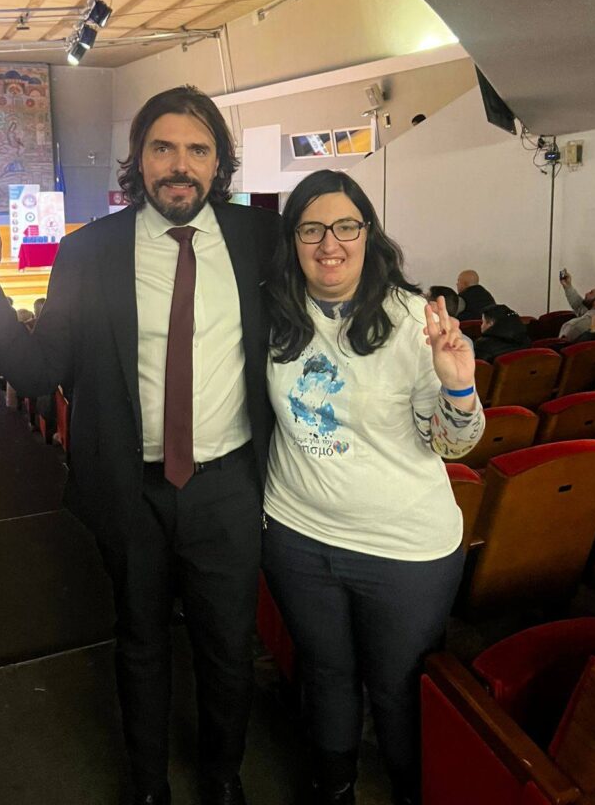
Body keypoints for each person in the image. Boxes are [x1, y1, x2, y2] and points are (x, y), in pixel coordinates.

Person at [0, 86, 280, 805]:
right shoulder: (88, 252)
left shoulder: (261, 239)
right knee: (141, 643)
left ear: (219, 163)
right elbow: (40, 373)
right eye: (163, 148)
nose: (180, 165)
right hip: (130, 489)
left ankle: (224, 777)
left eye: (198, 150)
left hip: (228, 488)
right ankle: (147, 783)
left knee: (228, 650)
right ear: (139, 159)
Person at [261, 170, 484, 805]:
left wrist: (458, 385)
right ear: (293, 239)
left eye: (345, 227)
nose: (329, 243)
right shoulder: (274, 311)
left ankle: (410, 791)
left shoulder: (414, 320)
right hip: (298, 538)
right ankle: (335, 786)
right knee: (326, 674)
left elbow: (453, 444)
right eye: (311, 229)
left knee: (396, 688)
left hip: (403, 551)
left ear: (368, 233)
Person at [558, 270, 595, 341]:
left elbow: (562, 343)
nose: (586, 294)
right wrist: (568, 286)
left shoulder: (573, 326)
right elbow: (579, 306)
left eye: (591, 293)